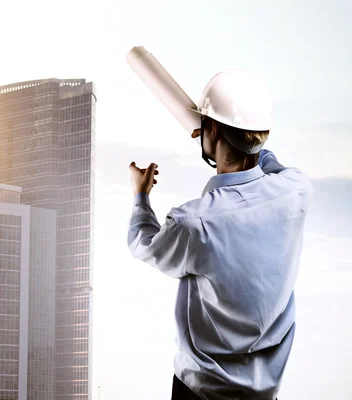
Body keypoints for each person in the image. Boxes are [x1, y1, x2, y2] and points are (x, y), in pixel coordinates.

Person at [127, 70, 313, 400]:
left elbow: (143, 244)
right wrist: (224, 136)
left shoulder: (194, 223)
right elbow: (266, 161)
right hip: (266, 394)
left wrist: (141, 195)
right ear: (262, 134)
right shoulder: (296, 191)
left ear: (211, 128)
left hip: (201, 392)